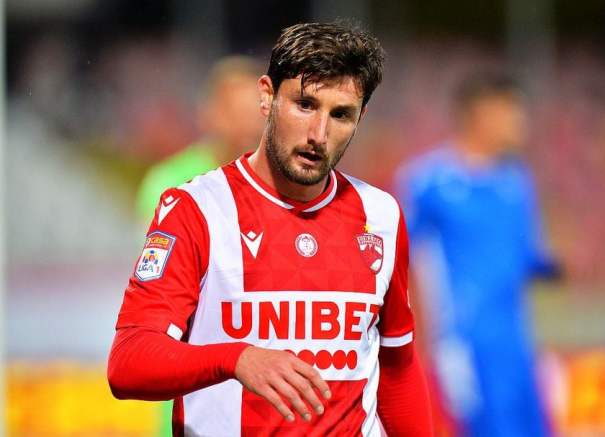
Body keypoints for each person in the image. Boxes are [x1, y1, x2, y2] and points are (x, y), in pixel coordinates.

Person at [108, 22, 434, 436]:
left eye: (340, 115)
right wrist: (236, 359)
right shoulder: (196, 209)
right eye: (305, 105)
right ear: (266, 96)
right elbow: (128, 363)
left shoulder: (381, 215)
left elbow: (398, 365)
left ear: (360, 118)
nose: (319, 134)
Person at [396, 73, 560, 437]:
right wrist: (429, 344)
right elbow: (401, 261)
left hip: (517, 342)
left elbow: (525, 256)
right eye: (511, 111)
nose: (521, 122)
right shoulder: (429, 182)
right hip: (466, 344)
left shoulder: (516, 181)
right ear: (480, 114)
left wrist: (551, 267)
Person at [135, 56, 265, 221]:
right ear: (210, 113)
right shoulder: (171, 182)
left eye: (258, 115)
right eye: (239, 115)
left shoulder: (281, 184)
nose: (250, 127)